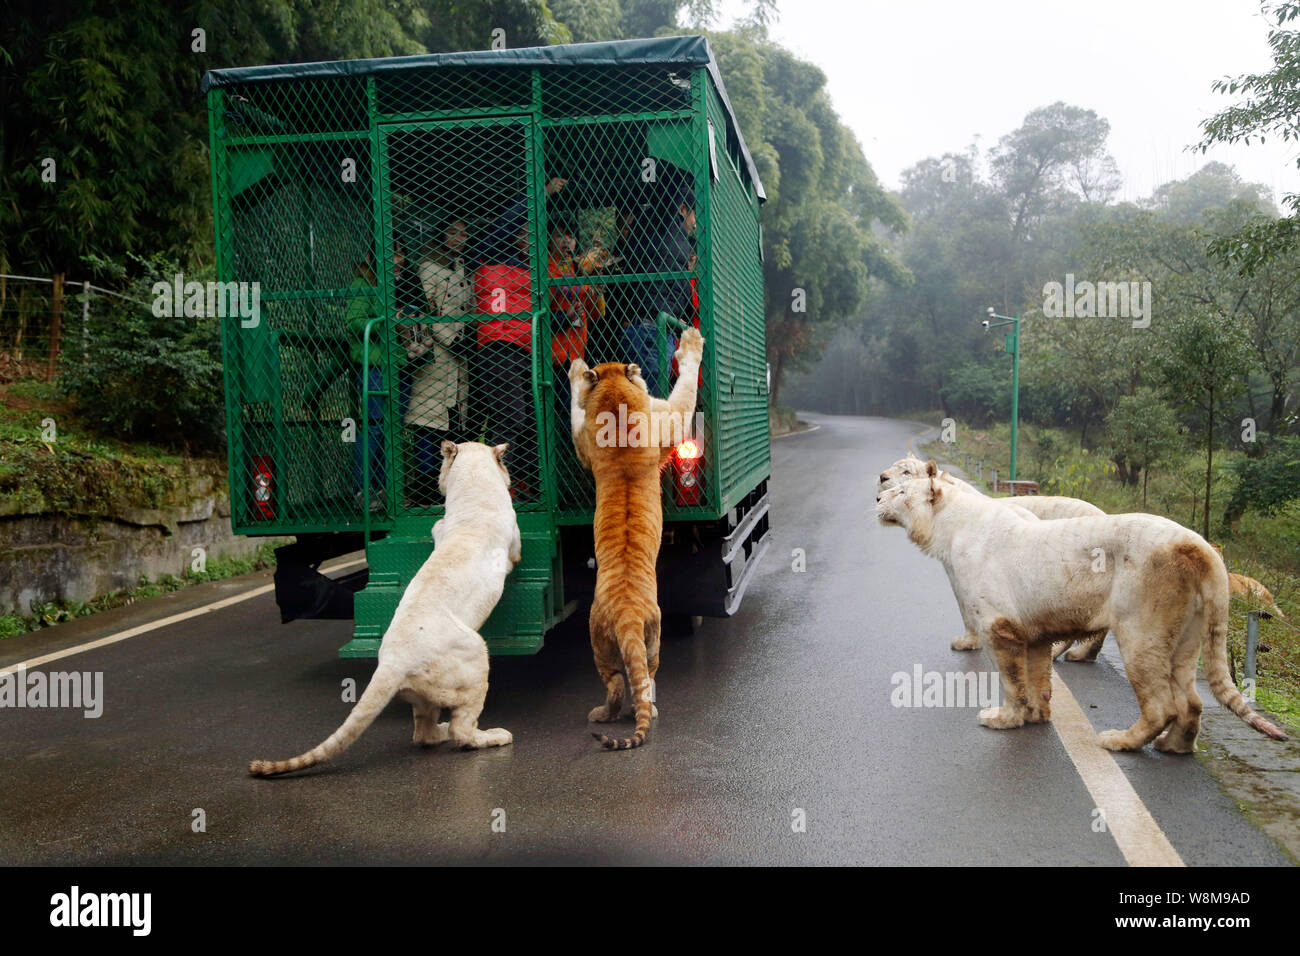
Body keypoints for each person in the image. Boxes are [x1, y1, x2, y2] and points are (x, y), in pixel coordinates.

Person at [470, 176, 569, 497]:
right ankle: (492, 481)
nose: (530, 239)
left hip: (523, 349)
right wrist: (542, 194)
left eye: (534, 235)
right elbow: (507, 221)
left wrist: (564, 317)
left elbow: (530, 313)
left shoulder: (531, 269)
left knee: (531, 417)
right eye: (525, 233)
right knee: (511, 413)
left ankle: (519, 480)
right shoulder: (490, 253)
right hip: (497, 347)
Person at [403, 217, 472, 505]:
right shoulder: (427, 268)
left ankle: (448, 485)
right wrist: (450, 338)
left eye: (464, 233)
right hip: (435, 357)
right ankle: (424, 483)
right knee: (428, 421)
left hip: (458, 357)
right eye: (454, 232)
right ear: (442, 234)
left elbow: (467, 306)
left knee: (453, 420)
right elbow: (428, 310)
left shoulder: (461, 267)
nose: (460, 239)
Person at [620, 164, 696, 397]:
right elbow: (666, 198)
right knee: (650, 398)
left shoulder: (680, 241)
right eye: (695, 215)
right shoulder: (662, 226)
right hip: (649, 330)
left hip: (659, 330)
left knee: (654, 397)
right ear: (682, 208)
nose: (696, 223)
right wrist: (684, 172)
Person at [346, 251, 408, 512]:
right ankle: (363, 489)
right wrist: (387, 324)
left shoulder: (395, 286)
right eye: (391, 255)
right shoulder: (363, 284)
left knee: (390, 429)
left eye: (401, 255)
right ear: (375, 257)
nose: (398, 261)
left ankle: (387, 489)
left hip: (397, 364)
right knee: (372, 427)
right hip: (374, 365)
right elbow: (355, 322)